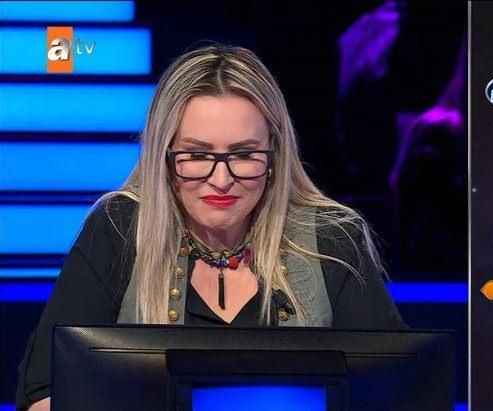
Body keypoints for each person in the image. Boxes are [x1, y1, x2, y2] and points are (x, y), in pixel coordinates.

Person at [16, 45, 406, 411]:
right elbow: (45, 391)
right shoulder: (119, 229)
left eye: (244, 154)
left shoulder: (331, 238)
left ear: (275, 156)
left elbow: (398, 389)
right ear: (164, 156)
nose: (221, 180)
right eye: (197, 155)